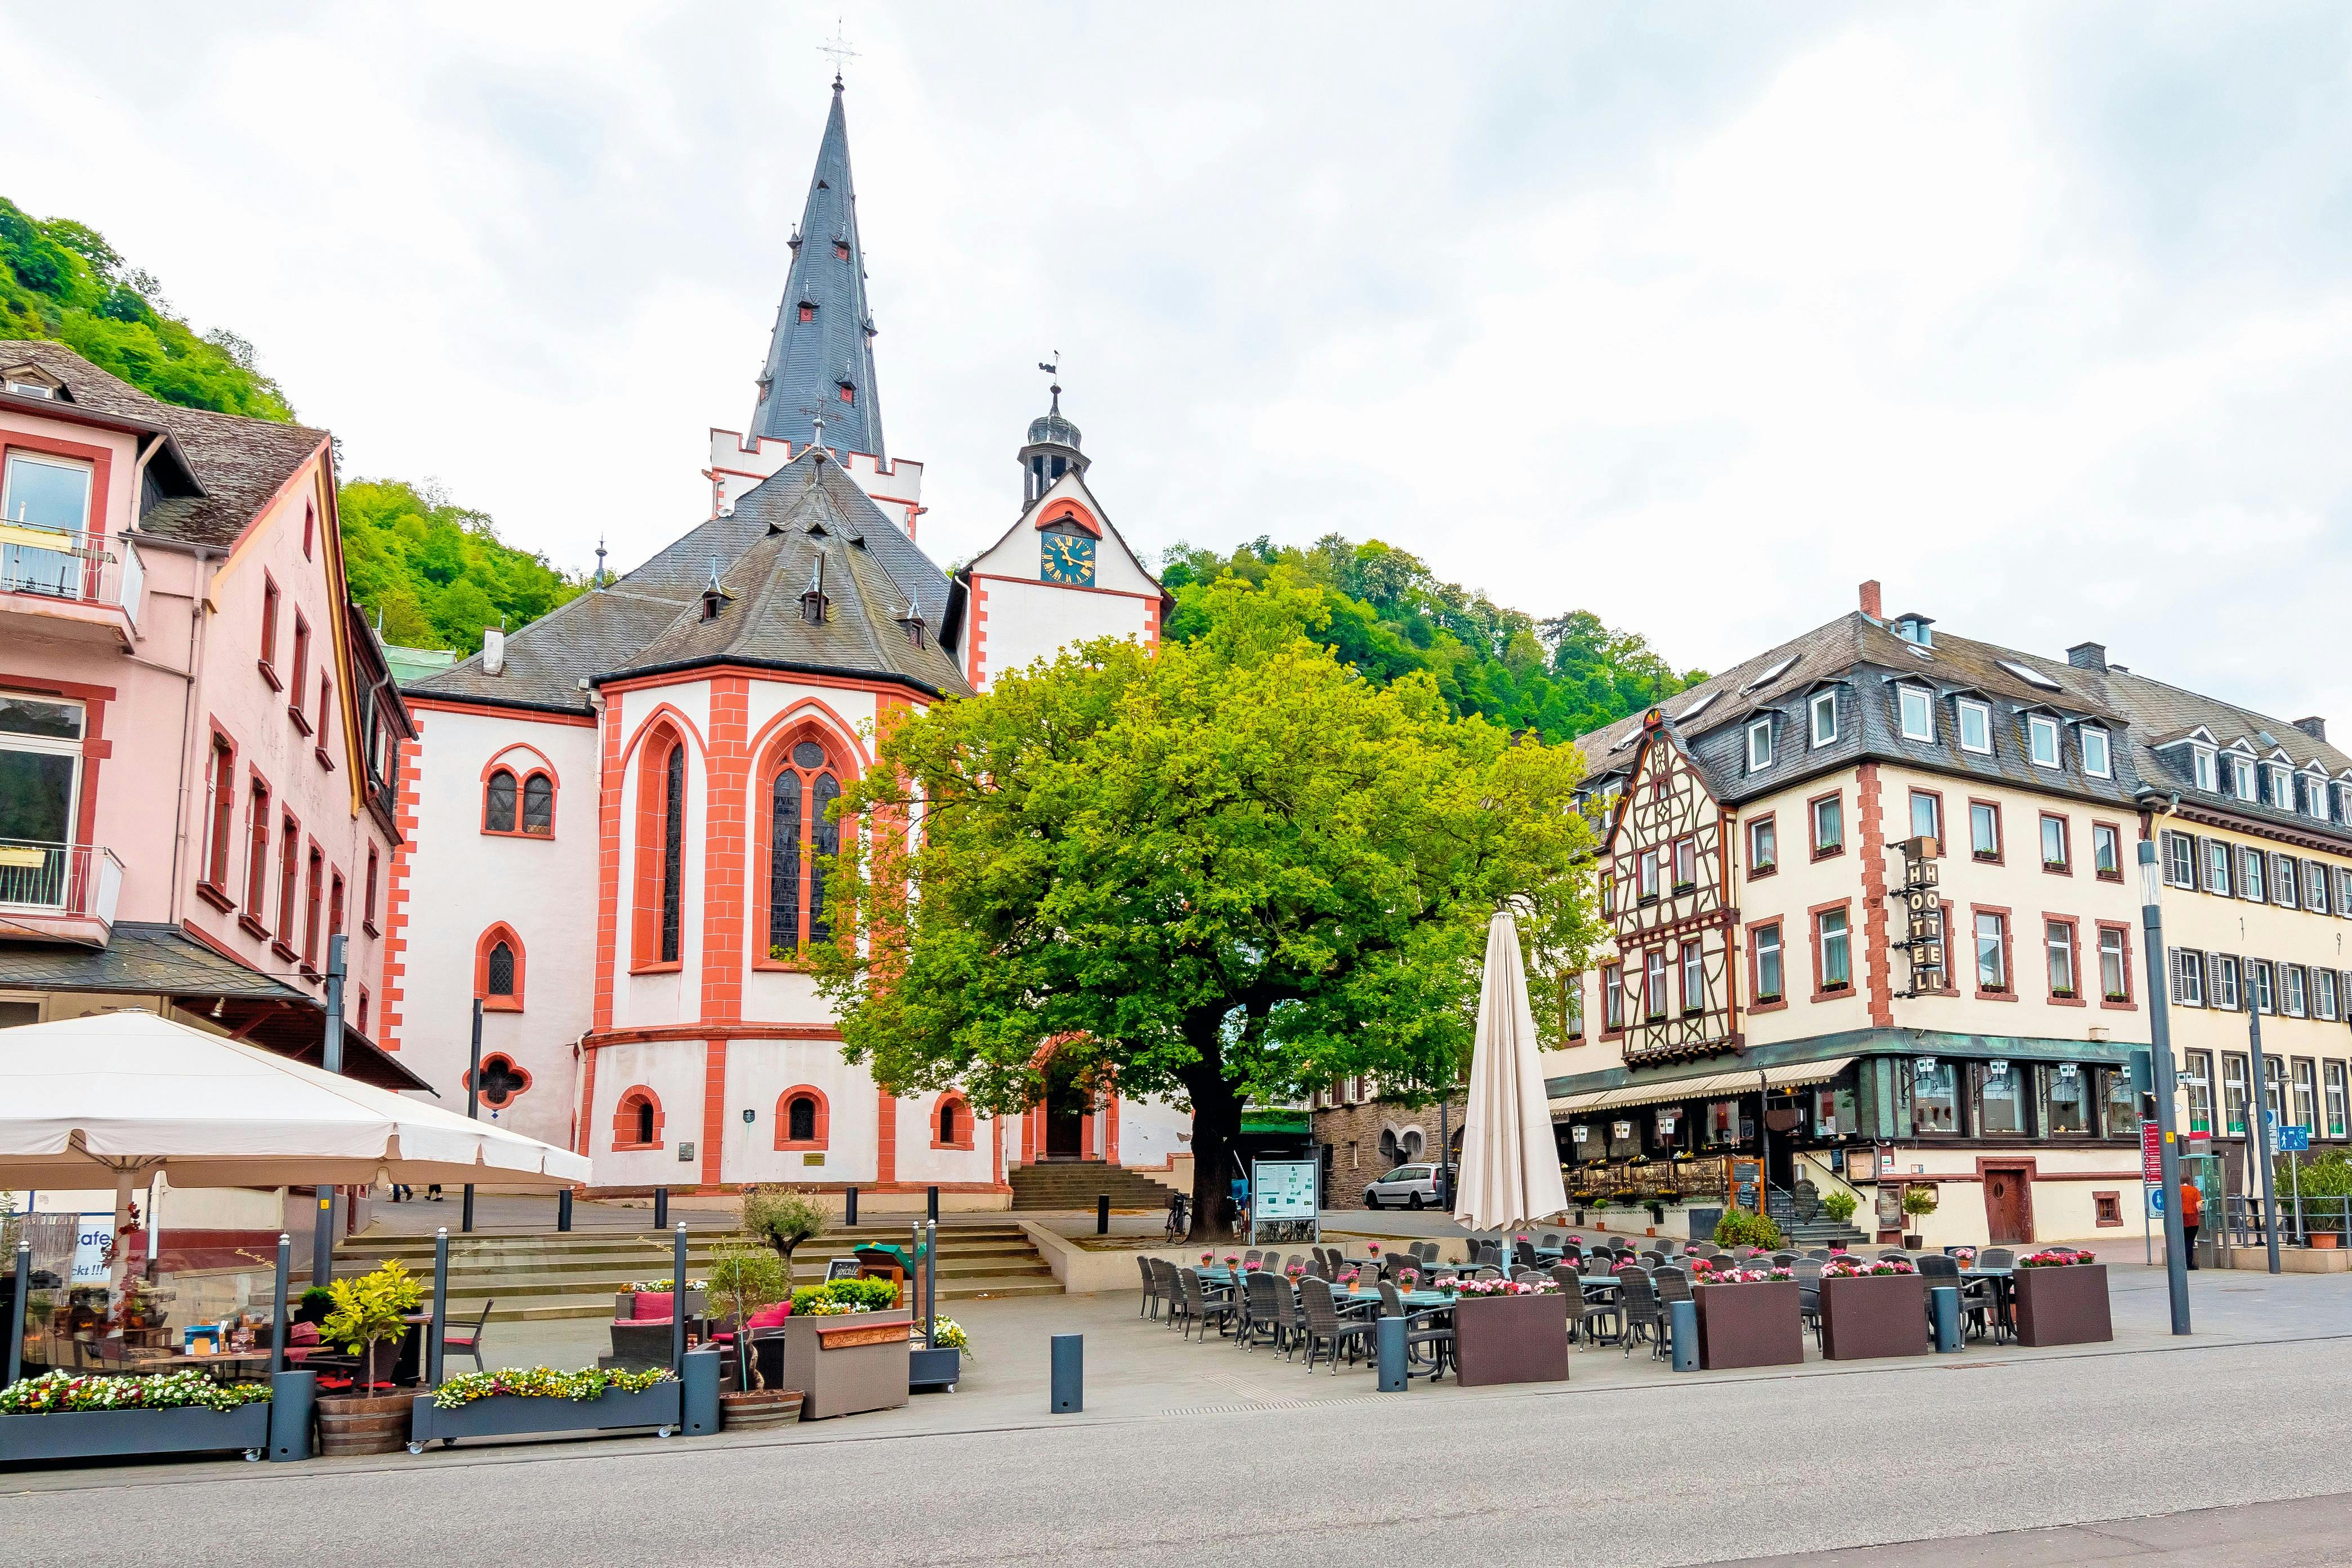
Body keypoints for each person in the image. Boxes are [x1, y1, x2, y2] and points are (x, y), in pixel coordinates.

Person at [2179, 1176, 2202, 1270]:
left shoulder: (2177, 1190)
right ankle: (2188, 1264)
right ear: (2189, 1181)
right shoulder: (2194, 1190)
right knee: (2189, 1242)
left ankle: (2179, 1263)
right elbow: (2199, 1205)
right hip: (2193, 1221)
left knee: (2181, 1242)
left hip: (2180, 1220)